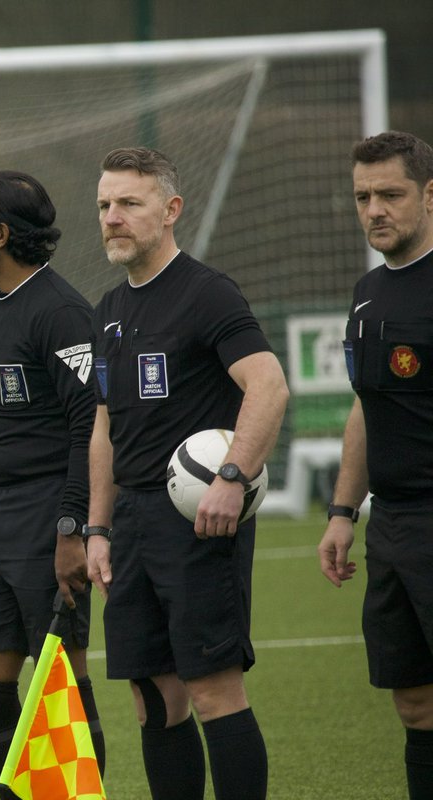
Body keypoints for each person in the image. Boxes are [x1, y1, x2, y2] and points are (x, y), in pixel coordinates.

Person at [85, 147, 288, 800]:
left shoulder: (207, 293)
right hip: (132, 526)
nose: (113, 218)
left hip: (199, 523)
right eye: (104, 206)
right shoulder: (107, 308)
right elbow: (104, 428)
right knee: (152, 694)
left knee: (211, 689)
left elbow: (269, 384)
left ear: (171, 210)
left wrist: (233, 476)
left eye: (129, 204)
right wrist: (96, 527)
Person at [0, 171, 104, 797]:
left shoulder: (62, 312)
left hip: (48, 514)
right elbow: (2, 432)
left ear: (2, 233)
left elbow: (88, 426)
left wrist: (72, 526)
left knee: (61, 684)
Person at [318, 130, 433, 799]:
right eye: (363, 196)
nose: (374, 209)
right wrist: (341, 510)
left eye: (389, 193)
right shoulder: (366, 292)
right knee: (414, 704)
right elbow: (366, 406)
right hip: (389, 527)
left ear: (427, 195)